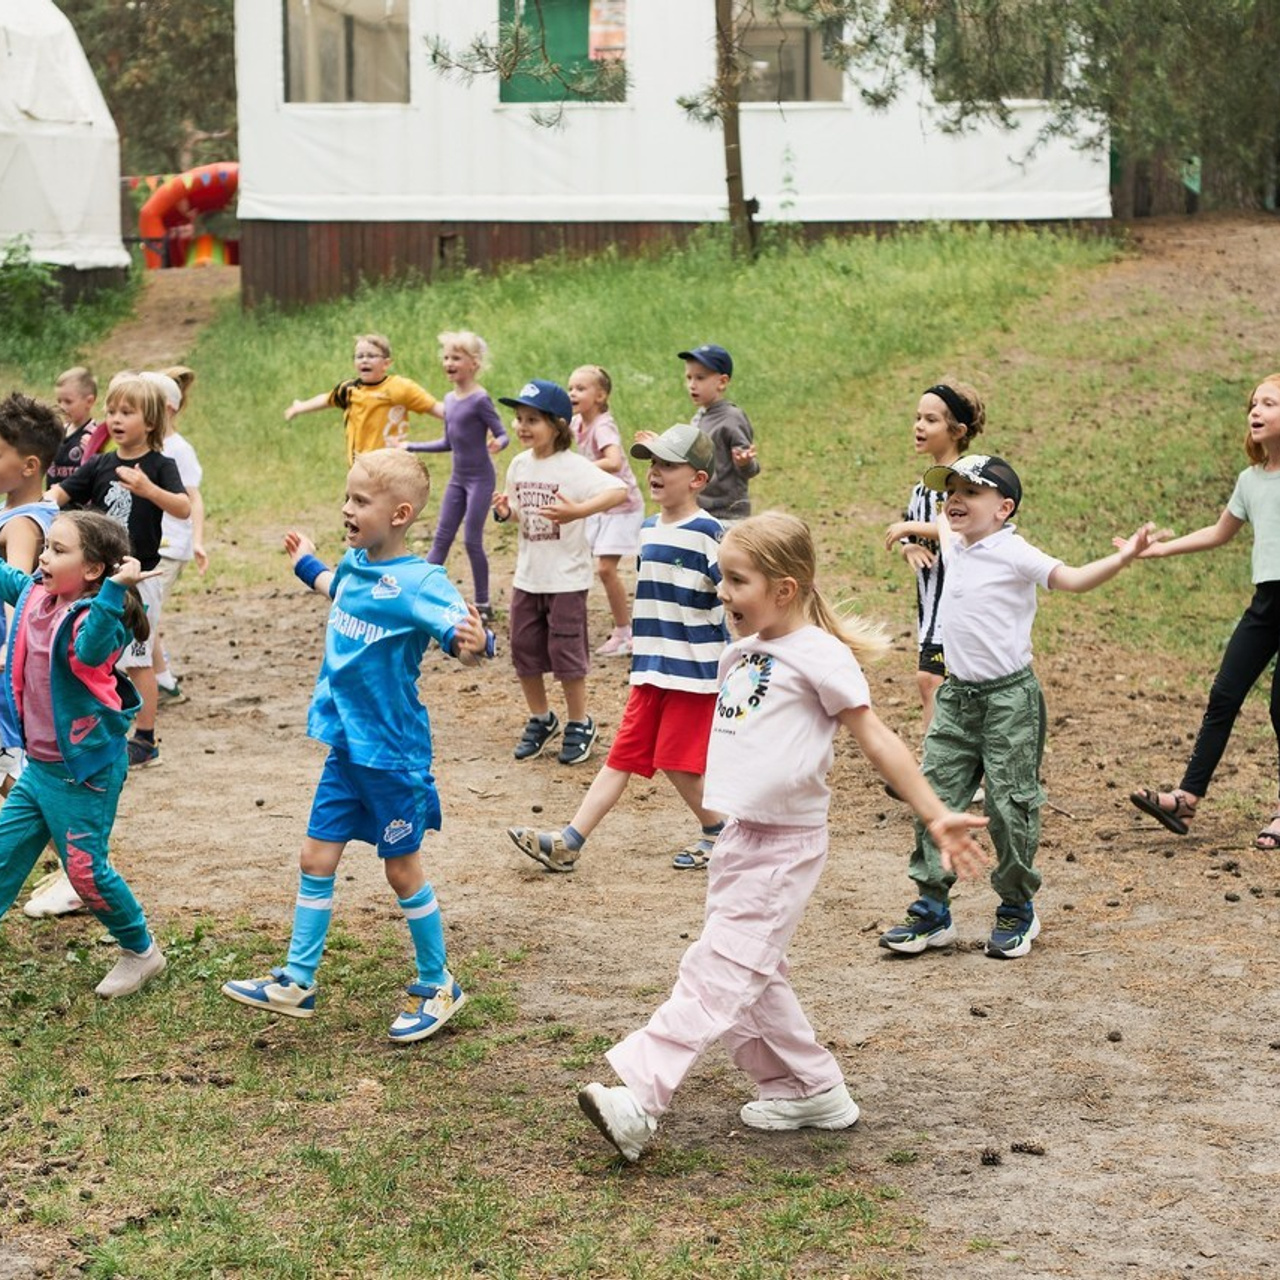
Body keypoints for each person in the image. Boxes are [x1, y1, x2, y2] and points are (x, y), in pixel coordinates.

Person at [576, 511, 989, 1162]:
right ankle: (810, 1090)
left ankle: (641, 1098)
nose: (722, 593)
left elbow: (875, 736)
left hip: (787, 846)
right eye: (723, 579)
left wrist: (935, 812)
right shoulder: (742, 650)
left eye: (737, 581)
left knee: (717, 970)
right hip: (739, 838)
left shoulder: (820, 656)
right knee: (751, 974)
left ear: (785, 588)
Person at [221, 449, 493, 1041]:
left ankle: (438, 982)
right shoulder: (353, 564)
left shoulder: (421, 581)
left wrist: (476, 641)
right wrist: (304, 562)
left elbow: (460, 636)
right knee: (315, 860)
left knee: (401, 871)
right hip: (345, 750)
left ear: (399, 513)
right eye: (346, 497)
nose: (346, 509)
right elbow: (335, 588)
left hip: (393, 757)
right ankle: (297, 979)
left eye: (360, 502)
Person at [878, 455, 1159, 962]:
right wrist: (905, 528)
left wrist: (1123, 558)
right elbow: (937, 523)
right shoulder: (952, 533)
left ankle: (1016, 906)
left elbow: (1071, 579)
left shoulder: (1014, 552)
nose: (955, 500)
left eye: (971, 492)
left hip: (1009, 700)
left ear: (1003, 508)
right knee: (934, 796)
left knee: (1011, 805)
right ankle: (932, 907)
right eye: (951, 491)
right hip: (956, 698)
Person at [506, 422, 728, 873]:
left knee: (677, 762)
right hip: (649, 670)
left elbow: (734, 596)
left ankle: (720, 832)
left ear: (698, 479)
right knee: (620, 758)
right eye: (653, 464)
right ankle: (568, 842)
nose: (656, 472)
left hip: (693, 673)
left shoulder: (711, 534)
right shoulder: (647, 530)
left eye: (669, 464)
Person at [0, 511, 167, 998]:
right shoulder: (37, 595)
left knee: (85, 871)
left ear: (93, 570)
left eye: (57, 550)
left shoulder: (98, 620)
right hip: (40, 770)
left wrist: (115, 591)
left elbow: (91, 653)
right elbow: (9, 576)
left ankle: (141, 952)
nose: (43, 557)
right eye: (45, 546)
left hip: (84, 773)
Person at [1128, 373, 1280, 849]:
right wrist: (1157, 552)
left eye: (1269, 404)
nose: (1256, 412)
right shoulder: (1250, 480)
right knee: (1224, 693)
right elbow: (1219, 533)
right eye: (1253, 404)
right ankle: (1187, 799)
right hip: (1267, 604)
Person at [48, 376, 191, 770]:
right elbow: (58, 495)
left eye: (127, 412)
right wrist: (31, 507)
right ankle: (101, 726)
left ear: (150, 422)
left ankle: (145, 739)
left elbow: (182, 507)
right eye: (111, 411)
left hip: (141, 578)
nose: (116, 419)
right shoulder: (100, 463)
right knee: (97, 653)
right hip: (98, 579)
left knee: (139, 657)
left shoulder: (160, 466)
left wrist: (148, 490)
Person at [491, 379, 627, 766]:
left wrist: (579, 511)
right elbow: (519, 509)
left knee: (566, 654)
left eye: (532, 419)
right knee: (523, 651)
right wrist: (506, 512)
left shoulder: (574, 467)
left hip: (567, 580)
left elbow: (617, 490)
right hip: (528, 577)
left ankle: (579, 722)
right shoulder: (519, 464)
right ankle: (541, 718)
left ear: (558, 425)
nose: (521, 426)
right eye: (518, 418)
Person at [883, 381, 985, 732]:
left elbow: (959, 526)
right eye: (917, 418)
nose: (919, 426)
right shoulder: (922, 487)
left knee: (934, 681)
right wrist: (909, 543)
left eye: (930, 420)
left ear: (956, 431)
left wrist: (907, 527)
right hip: (931, 606)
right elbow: (917, 531)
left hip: (956, 603)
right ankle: (937, 771)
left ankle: (942, 774)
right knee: (933, 684)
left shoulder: (967, 479)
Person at [404, 331, 507, 620]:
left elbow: (502, 433)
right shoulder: (449, 400)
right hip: (458, 480)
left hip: (481, 479)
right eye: (446, 357)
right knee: (441, 539)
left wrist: (499, 443)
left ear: (474, 363)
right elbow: (447, 443)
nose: (449, 362)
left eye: (456, 357)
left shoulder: (480, 399)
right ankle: (417, 595)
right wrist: (410, 445)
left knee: (472, 540)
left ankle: (483, 603)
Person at [0, 393, 63, 799]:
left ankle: (74, 849)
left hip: (4, 659)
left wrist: (7, 653)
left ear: (29, 466)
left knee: (6, 763)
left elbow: (18, 591)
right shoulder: (22, 511)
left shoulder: (22, 523)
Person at [568, 365, 644, 657]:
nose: (573, 392)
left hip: (622, 506)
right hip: (600, 504)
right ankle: (580, 627)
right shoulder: (577, 423)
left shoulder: (603, 426)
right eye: (571, 387)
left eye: (581, 388)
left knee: (605, 568)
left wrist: (578, 468)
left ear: (600, 396)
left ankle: (626, 633)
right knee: (582, 563)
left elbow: (613, 461)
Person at [143, 367, 208, 707]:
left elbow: (193, 497)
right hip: (148, 543)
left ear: (165, 408)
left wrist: (197, 540)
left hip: (170, 547)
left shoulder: (179, 449)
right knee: (143, 611)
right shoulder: (142, 446)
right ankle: (161, 679)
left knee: (144, 613)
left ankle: (156, 679)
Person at [285, 333, 444, 466]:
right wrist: (299, 407)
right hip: (359, 468)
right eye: (359, 356)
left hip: (390, 466)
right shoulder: (349, 390)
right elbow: (326, 400)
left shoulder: (400, 388)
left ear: (386, 363)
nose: (364, 360)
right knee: (356, 502)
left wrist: (463, 415)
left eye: (371, 356)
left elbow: (434, 407)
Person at [678, 344, 759, 523]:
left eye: (700, 378)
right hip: (699, 511)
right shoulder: (698, 417)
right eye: (689, 377)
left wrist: (745, 462)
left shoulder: (732, 418)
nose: (692, 385)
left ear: (722, 382)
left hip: (728, 516)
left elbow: (750, 469)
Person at [48, 367, 109, 487]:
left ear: (89, 401)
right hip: (52, 502)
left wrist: (96, 452)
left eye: (68, 401)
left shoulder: (94, 436)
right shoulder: (58, 432)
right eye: (59, 401)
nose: (62, 406)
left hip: (79, 504)